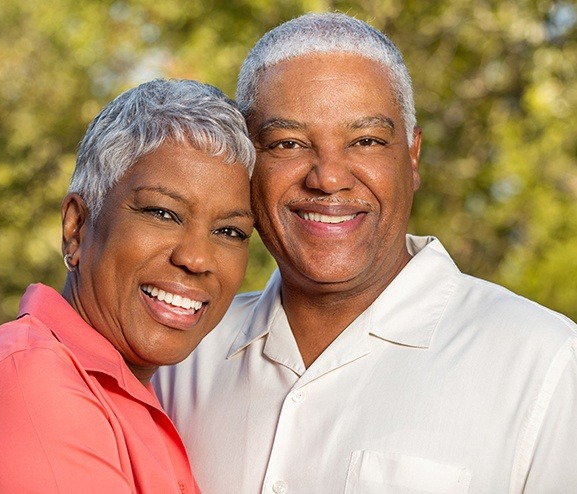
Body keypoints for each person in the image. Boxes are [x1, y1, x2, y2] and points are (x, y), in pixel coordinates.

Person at [153, 13, 577, 493]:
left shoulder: (545, 362)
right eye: (288, 142)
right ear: (247, 162)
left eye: (366, 141)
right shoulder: (183, 356)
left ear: (412, 156)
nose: (329, 177)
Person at [0, 78, 255, 493]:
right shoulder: (32, 383)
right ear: (76, 227)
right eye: (163, 213)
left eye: (230, 231)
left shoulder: (127, 395)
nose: (197, 258)